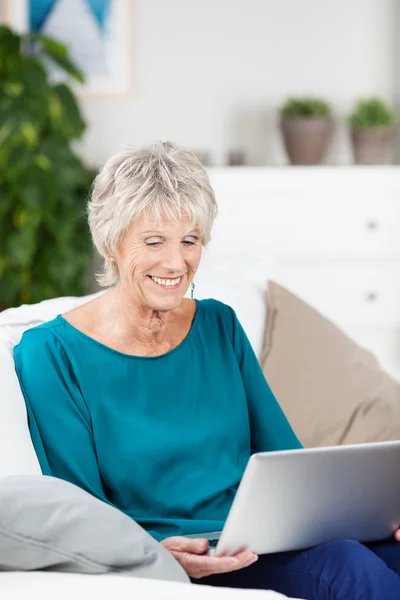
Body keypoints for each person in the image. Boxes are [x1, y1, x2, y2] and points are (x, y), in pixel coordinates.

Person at [14, 141, 400, 599]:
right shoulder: (50, 353)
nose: (176, 262)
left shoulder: (219, 324)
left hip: (262, 538)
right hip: (177, 557)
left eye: (190, 240)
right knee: (347, 567)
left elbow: (289, 462)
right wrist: (159, 550)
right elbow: (82, 512)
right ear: (110, 242)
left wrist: (372, 511)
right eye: (153, 241)